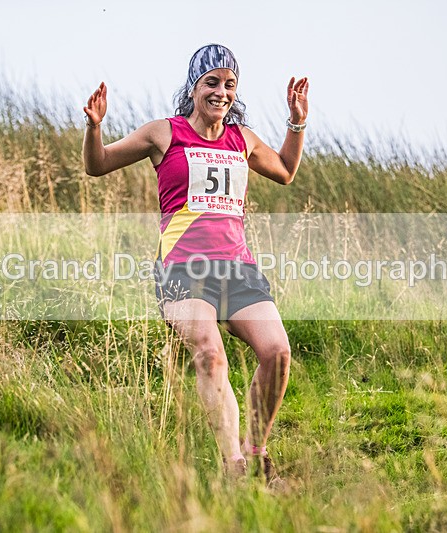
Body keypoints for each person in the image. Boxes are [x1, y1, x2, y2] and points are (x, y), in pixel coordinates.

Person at [83, 44, 309, 484]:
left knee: (278, 353)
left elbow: (284, 171)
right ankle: (234, 468)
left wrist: (297, 120)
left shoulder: (241, 139)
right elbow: (98, 165)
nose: (221, 92)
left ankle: (256, 451)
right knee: (210, 353)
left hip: (237, 271)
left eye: (229, 85)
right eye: (212, 83)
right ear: (193, 87)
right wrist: (94, 129)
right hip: (182, 273)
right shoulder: (163, 134)